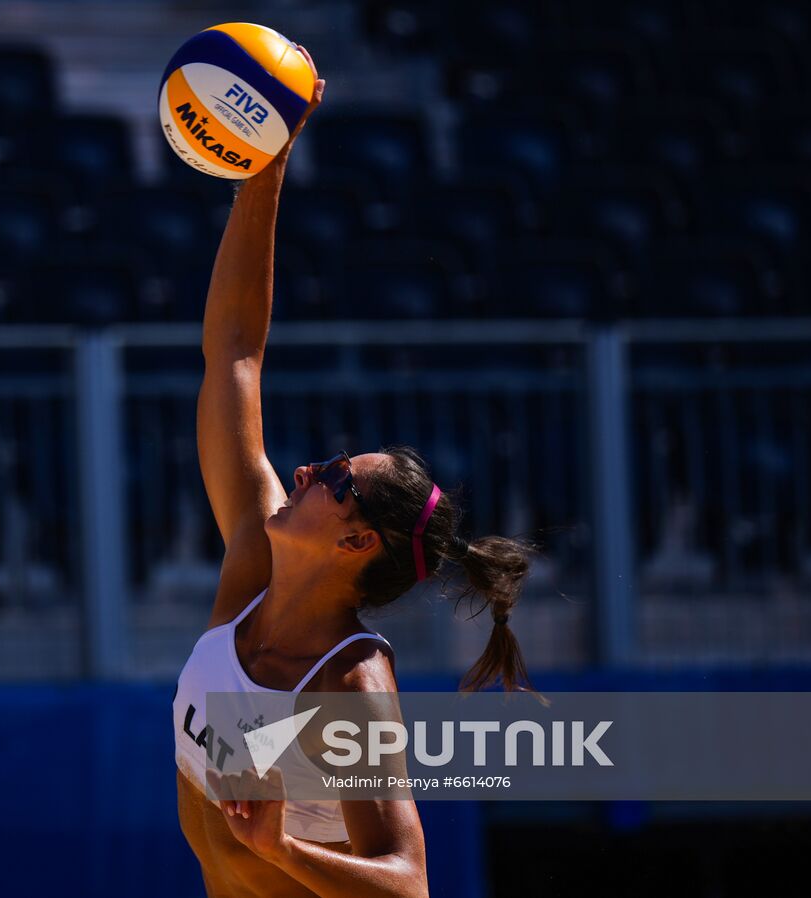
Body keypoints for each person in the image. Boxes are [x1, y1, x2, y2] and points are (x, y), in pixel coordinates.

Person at [172, 45, 539, 898]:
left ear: (355, 539)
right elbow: (234, 353)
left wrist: (282, 850)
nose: (302, 468)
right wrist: (265, 170)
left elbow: (409, 884)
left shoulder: (348, 685)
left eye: (330, 477)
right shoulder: (254, 571)